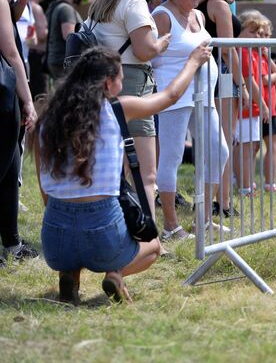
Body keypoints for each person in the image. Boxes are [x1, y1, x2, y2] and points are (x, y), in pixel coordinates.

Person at [35, 44, 211, 304]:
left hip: (55, 241)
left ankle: (69, 273)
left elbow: (44, 189)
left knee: (73, 234)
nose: (122, 81)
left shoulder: (46, 119)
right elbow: (170, 96)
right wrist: (194, 62)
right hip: (102, 230)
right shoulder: (116, 109)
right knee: (152, 247)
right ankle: (115, 275)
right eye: (120, 77)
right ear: (108, 83)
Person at [91, 0, 171, 225]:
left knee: (115, 168)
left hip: (104, 83)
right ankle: (148, 236)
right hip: (132, 83)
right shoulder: (134, 1)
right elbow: (144, 49)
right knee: (146, 174)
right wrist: (162, 43)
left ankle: (116, 227)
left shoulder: (101, 2)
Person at [152, 0, 229, 241]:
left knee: (219, 151)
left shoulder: (198, 16)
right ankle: (171, 226)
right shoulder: (162, 15)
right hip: (174, 96)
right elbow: (149, 55)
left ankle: (203, 219)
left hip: (203, 97)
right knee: (170, 158)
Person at [0, 0, 39, 266]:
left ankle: (11, 242)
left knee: (11, 165)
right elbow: (13, 55)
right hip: (3, 91)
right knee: (6, 165)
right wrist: (28, 101)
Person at [200, 0, 246, 217]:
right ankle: (224, 202)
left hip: (210, 76)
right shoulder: (219, 5)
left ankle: (218, 200)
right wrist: (243, 84)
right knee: (225, 142)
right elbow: (229, 51)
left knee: (216, 144)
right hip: (224, 77)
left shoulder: (205, 1)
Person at [238, 10, 276, 193]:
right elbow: (253, 80)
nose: (259, 37)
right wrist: (262, 104)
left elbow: (275, 72)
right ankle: (245, 186)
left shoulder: (256, 53)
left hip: (260, 106)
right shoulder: (245, 52)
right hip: (250, 107)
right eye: (254, 33)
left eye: (261, 34)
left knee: (251, 147)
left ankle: (248, 185)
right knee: (247, 149)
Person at [45, 0, 83, 80]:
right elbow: (69, 36)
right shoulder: (66, 9)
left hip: (57, 61)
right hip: (64, 64)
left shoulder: (54, 7)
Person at [27, 0, 48, 100]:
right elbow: (41, 35)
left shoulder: (24, 6)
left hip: (29, 55)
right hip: (38, 58)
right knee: (40, 97)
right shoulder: (36, 8)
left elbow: (30, 38)